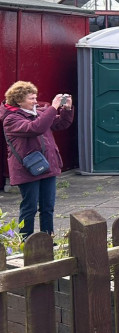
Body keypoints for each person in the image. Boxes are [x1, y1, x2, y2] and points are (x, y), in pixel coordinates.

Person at [1, 81, 74, 237]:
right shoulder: (11, 119)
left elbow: (61, 124)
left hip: (47, 166)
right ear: (18, 100)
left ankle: (48, 238)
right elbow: (35, 128)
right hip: (27, 169)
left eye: (35, 97)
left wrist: (66, 109)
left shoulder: (38, 113)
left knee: (48, 207)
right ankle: (25, 241)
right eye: (31, 98)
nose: (35, 101)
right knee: (30, 207)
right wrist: (53, 107)